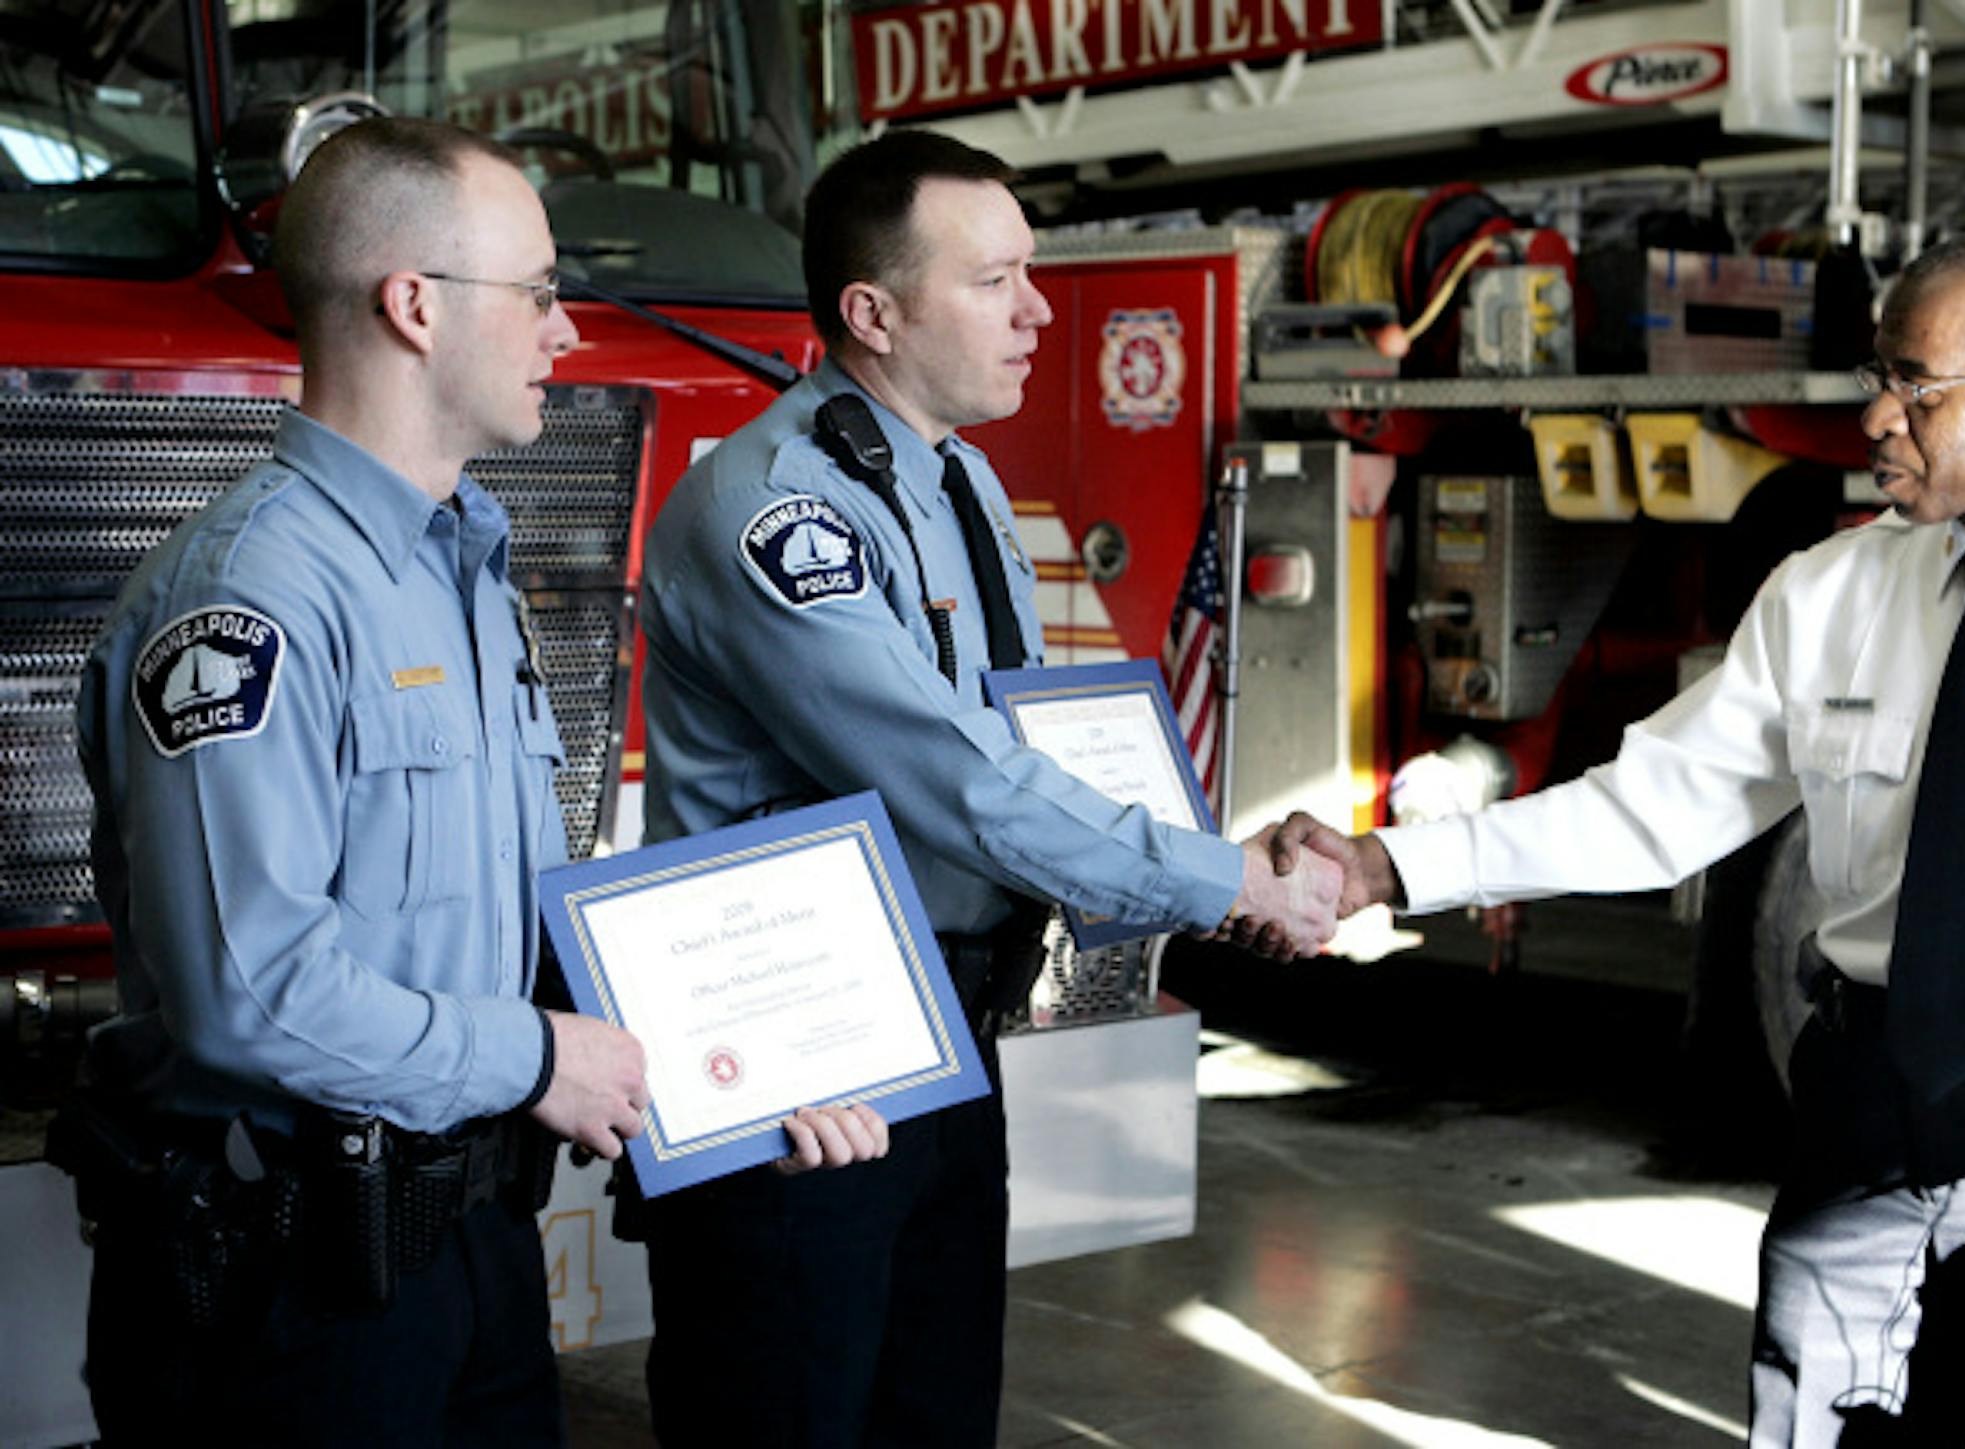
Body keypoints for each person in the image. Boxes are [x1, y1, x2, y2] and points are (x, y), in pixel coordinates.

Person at [1267, 221, 1965, 1443]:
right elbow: (1652, 809)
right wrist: (1389, 863)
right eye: (1876, 379)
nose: (1878, 419)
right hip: (1864, 1100)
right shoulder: (1830, 594)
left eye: (1918, 385)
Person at [61, 117, 879, 1447]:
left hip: (471, 1250)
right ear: (415, 306)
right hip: (290, 1296)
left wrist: (741, 1062)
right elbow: (250, 995)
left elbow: (504, 928)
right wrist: (545, 1054)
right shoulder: (246, 602)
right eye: (544, 291)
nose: (567, 332)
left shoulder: (462, 571)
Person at [635, 128, 1340, 1447]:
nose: (1036, 311)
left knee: (935, 1414)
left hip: (949, 1045)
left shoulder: (952, 477)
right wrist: (1226, 880)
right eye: (996, 279)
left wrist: (1200, 850)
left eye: (1033, 273)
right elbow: (956, 780)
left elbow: (1027, 745)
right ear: (874, 312)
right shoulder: (778, 510)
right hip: (807, 1073)